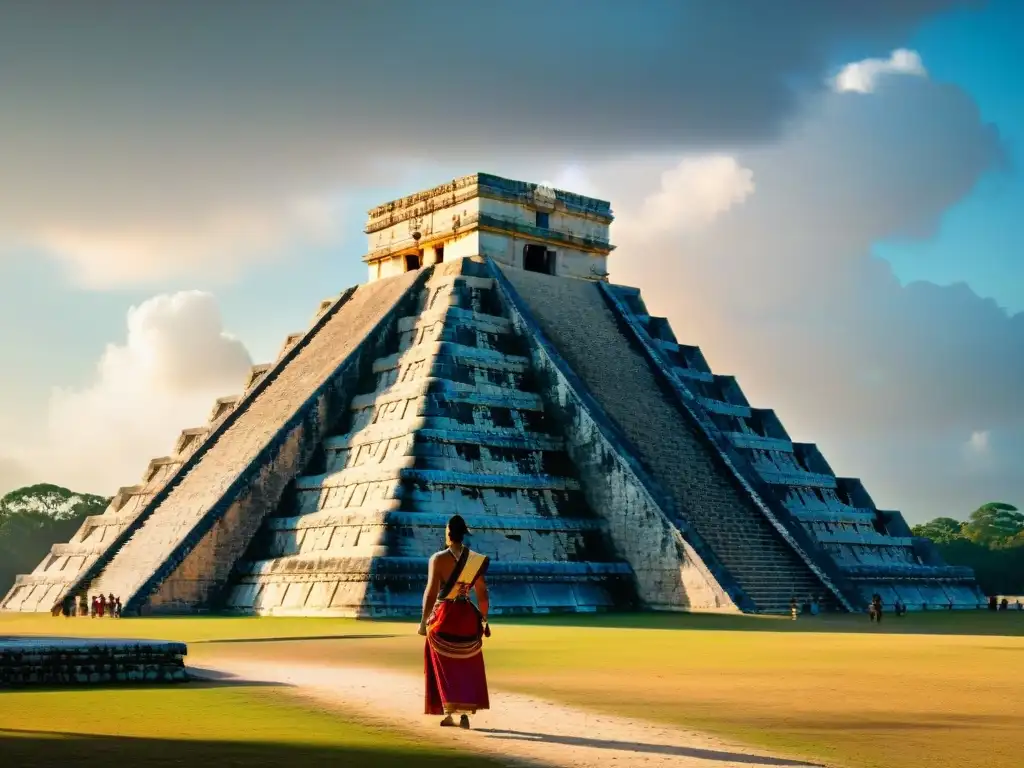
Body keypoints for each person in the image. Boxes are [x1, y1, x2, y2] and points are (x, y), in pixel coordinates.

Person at [418, 514, 490, 729]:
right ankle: (464, 713)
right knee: (466, 665)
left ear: (448, 534)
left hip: (446, 615)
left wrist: (423, 621)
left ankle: (449, 711)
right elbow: (483, 595)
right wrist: (483, 620)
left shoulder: (438, 559)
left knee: (443, 663)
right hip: (467, 616)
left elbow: (431, 593)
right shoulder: (475, 559)